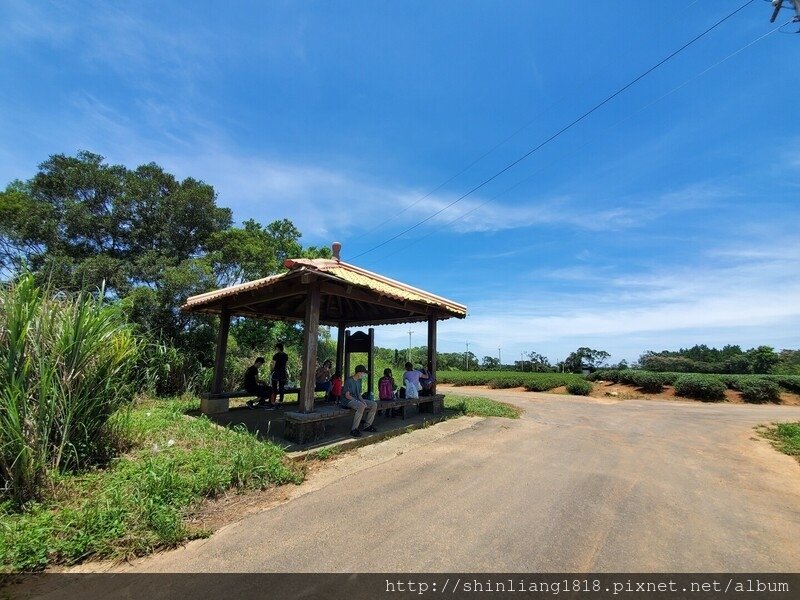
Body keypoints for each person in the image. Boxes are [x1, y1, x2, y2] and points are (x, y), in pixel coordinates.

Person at [342, 365, 377, 437]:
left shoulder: (359, 381)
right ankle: (354, 429)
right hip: (348, 401)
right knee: (361, 406)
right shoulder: (349, 381)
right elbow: (347, 396)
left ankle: (367, 426)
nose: (364, 375)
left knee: (374, 404)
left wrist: (363, 401)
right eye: (363, 373)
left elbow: (359, 395)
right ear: (359, 373)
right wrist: (359, 402)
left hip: (356, 399)